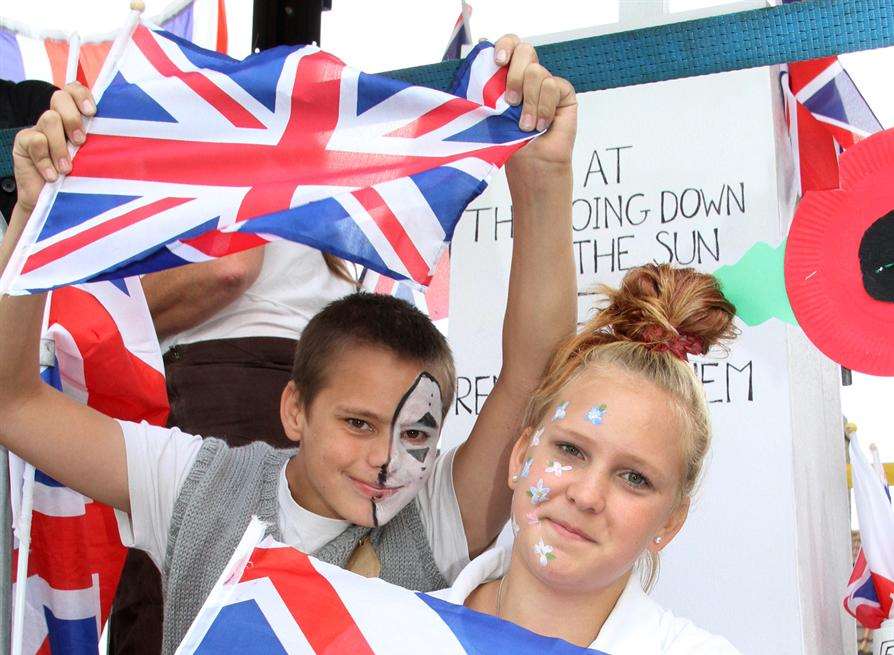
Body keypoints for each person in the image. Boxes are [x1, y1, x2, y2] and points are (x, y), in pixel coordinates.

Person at [0, 35, 578, 653]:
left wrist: (543, 179)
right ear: (295, 409)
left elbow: (536, 378)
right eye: (358, 423)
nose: (384, 461)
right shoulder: (199, 485)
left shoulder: (433, 519)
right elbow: (14, 405)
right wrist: (34, 216)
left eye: (415, 435)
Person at [430, 264, 744, 654]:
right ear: (521, 457)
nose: (587, 495)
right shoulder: (396, 632)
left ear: (671, 521)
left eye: (634, 478)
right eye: (571, 450)